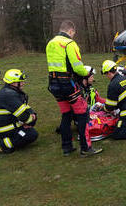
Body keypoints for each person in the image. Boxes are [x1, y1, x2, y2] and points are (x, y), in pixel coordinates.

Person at [46, 20, 102, 157]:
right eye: (74, 33)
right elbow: (77, 67)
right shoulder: (69, 43)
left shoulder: (50, 43)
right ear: (71, 31)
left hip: (53, 84)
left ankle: (67, 147)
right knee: (82, 114)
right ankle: (85, 148)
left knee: (66, 114)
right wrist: (87, 73)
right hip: (67, 83)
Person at [0, 69, 38, 154]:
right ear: (13, 83)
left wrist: (32, 114)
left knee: (30, 126)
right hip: (5, 129)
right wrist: (31, 119)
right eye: (20, 81)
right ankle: (3, 144)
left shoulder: (10, 91)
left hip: (9, 124)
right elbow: (24, 116)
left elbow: (24, 107)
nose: (23, 83)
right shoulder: (9, 95)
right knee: (31, 134)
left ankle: (8, 139)